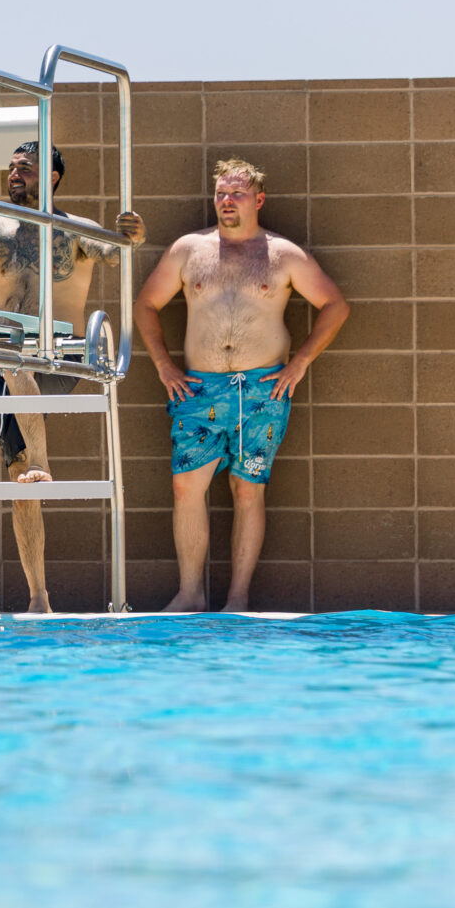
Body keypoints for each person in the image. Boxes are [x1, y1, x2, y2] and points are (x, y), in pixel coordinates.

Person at [135, 158, 350, 613]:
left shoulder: (283, 254)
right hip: (198, 389)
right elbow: (146, 304)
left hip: (262, 390)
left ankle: (237, 599)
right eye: (220, 194)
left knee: (248, 489)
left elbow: (335, 304)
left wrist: (300, 363)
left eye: (236, 193)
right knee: (185, 486)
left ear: (259, 200)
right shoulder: (188, 250)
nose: (226, 201)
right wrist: (163, 366)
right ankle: (190, 594)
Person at [0, 140, 145, 613]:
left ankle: (41, 459)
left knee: (15, 363)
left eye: (26, 168)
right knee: (19, 480)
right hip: (8, 357)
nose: (15, 174)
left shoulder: (74, 229)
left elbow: (114, 252)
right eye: (12, 167)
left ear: (52, 177)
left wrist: (132, 235)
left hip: (59, 355)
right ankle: (39, 598)